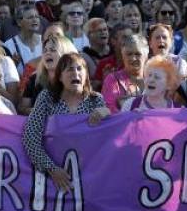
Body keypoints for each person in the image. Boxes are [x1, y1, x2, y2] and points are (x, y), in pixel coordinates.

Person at [23, 52, 109, 190]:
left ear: (86, 75)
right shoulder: (46, 98)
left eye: (79, 69)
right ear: (60, 77)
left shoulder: (96, 100)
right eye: (69, 69)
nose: (75, 73)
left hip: (89, 178)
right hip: (53, 179)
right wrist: (51, 169)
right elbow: (30, 137)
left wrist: (107, 114)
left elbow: (108, 139)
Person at [19, 34, 77, 114]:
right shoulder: (34, 79)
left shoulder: (76, 80)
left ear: (66, 55)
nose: (47, 53)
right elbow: (22, 108)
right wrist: (34, 111)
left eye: (53, 50)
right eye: (45, 50)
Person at [102, 34, 149, 113]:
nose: (133, 58)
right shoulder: (113, 79)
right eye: (129, 54)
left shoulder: (154, 78)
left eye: (138, 54)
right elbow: (109, 108)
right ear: (123, 56)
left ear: (146, 56)